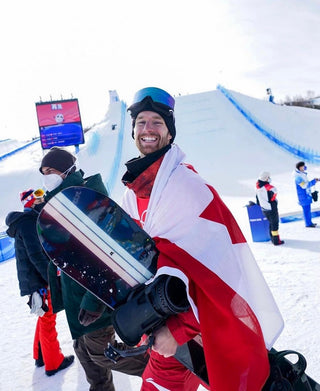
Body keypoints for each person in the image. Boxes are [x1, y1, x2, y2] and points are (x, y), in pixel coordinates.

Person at [120, 87, 284, 391]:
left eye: (157, 122)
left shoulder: (189, 189)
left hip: (198, 332)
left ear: (170, 133)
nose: (148, 129)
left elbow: (221, 273)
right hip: (164, 329)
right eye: (141, 122)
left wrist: (180, 330)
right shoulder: (134, 194)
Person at [39, 146, 148, 391]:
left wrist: (93, 301)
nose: (46, 176)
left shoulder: (88, 200)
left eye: (50, 170)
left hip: (94, 298)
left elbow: (109, 255)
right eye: (43, 172)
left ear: (67, 171)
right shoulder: (61, 203)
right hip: (75, 299)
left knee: (102, 353)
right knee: (89, 361)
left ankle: (163, 368)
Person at [5, 189, 74, 376]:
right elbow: (36, 255)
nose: (44, 201)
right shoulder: (28, 224)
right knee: (48, 319)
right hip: (40, 281)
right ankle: (53, 363)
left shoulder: (28, 222)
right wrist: (51, 279)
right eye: (40, 199)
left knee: (44, 316)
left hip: (36, 279)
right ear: (31, 203)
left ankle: (41, 355)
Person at [256, 171, 284, 245]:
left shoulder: (258, 187)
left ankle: (272, 239)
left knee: (271, 223)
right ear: (266, 178)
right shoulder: (269, 187)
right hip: (271, 208)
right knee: (275, 225)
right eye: (268, 177)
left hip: (264, 209)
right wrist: (273, 202)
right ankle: (276, 241)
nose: (269, 178)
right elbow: (274, 195)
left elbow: (257, 200)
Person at [294, 161, 319, 227]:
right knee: (306, 211)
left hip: (306, 195)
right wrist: (313, 182)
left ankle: (309, 222)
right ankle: (308, 224)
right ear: (299, 167)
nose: (304, 167)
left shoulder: (302, 174)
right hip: (303, 196)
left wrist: (315, 181)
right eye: (303, 166)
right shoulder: (298, 177)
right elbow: (304, 186)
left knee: (308, 210)